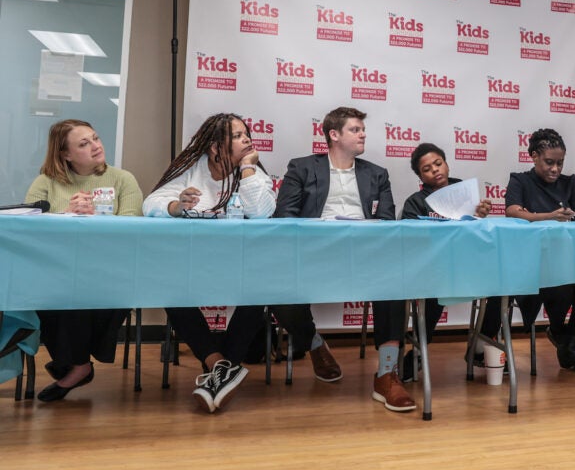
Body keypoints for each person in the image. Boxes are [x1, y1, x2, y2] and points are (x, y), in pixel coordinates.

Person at [273, 106, 414, 412]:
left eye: (363, 129)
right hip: (313, 254)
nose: (363, 133)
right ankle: (314, 345)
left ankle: (387, 373)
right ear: (333, 135)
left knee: (393, 283)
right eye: (355, 129)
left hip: (364, 255)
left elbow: (387, 222)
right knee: (276, 289)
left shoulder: (376, 174)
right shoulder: (301, 168)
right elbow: (284, 217)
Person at [143, 113, 277, 413]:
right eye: (238, 136)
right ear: (216, 146)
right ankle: (222, 366)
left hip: (241, 264)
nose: (247, 140)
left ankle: (218, 369)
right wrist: (176, 205)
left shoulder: (254, 172)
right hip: (194, 262)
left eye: (247, 134)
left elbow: (261, 214)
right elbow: (150, 203)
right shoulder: (192, 168)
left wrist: (247, 170)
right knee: (173, 293)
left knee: (258, 293)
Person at [25, 119, 143, 402]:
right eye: (84, 143)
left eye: (96, 138)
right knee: (53, 288)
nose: (96, 146)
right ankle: (77, 364)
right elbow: (29, 224)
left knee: (80, 288)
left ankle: (74, 364)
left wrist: (97, 219)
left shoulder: (122, 179)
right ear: (65, 154)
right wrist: (66, 213)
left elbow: (134, 227)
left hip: (111, 268)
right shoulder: (46, 182)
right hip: (58, 267)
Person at [502, 128, 575, 376]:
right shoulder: (520, 181)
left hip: (568, 258)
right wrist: (550, 217)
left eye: (560, 163)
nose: (555, 169)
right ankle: (563, 336)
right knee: (561, 283)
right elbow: (513, 212)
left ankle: (567, 341)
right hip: (533, 263)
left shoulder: (569, 183)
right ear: (534, 156)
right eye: (549, 162)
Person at [398, 143, 490, 379]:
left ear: (446, 163)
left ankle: (479, 348)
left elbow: (482, 236)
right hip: (435, 268)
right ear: (420, 176)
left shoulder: (467, 193)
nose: (435, 170)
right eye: (427, 169)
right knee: (434, 286)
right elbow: (410, 241)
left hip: (470, 265)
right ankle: (418, 351)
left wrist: (480, 216)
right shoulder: (415, 202)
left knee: (501, 283)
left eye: (438, 163)